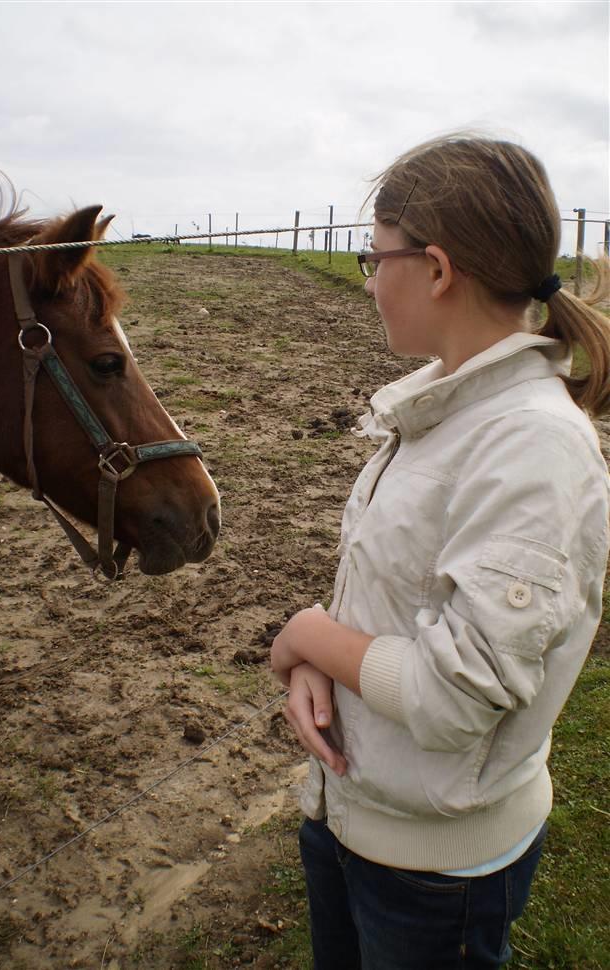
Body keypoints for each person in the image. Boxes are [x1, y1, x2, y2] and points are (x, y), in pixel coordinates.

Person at [271, 134, 610, 970]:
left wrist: (309, 636)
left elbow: (455, 697)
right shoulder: (440, 412)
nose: (369, 279)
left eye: (372, 256)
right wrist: (325, 666)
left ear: (435, 268)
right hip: (352, 817)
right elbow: (394, 595)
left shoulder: (533, 448)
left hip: (433, 875)